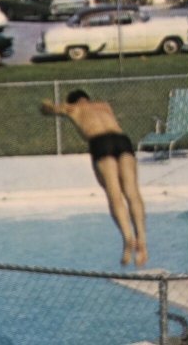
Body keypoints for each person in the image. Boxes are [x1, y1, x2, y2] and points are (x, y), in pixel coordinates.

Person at [40, 89, 148, 267]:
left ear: (73, 101)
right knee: (132, 192)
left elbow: (50, 109)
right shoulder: (104, 105)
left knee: (114, 194)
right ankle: (142, 238)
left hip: (100, 142)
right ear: (87, 98)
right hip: (121, 140)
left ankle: (128, 237)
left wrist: (46, 106)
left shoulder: (72, 108)